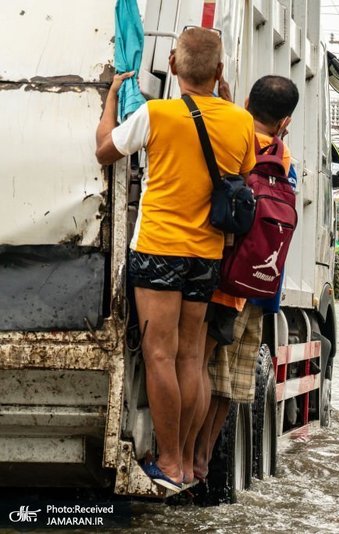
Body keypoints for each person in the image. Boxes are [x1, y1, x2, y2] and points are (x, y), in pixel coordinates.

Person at [95, 27, 256, 491]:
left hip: (160, 248)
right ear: (219, 72)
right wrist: (227, 105)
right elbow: (242, 174)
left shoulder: (157, 113)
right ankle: (185, 462)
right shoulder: (239, 121)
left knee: (159, 354)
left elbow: (105, 150)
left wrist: (110, 100)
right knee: (191, 358)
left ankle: (167, 462)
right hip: (206, 254)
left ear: (172, 63)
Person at [193, 75, 299, 485]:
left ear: (245, 101)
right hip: (256, 285)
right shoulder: (283, 157)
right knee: (231, 383)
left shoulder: (232, 135)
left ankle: (187, 455)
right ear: (285, 120)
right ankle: (203, 458)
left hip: (217, 275)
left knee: (199, 368)